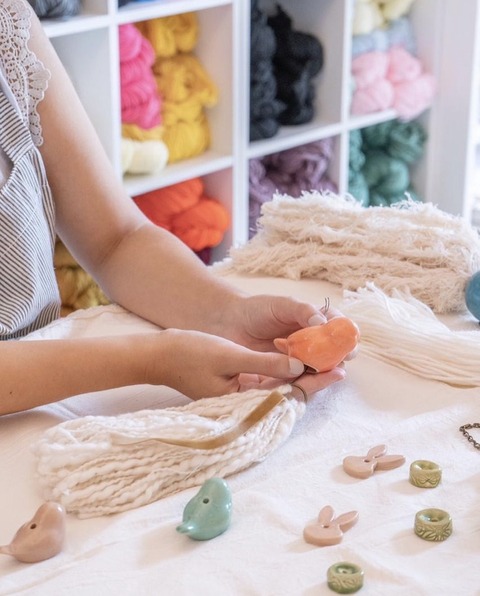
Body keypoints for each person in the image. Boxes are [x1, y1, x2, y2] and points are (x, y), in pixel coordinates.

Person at [0, 0, 348, 416]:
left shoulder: (10, 27)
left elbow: (117, 239)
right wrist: (154, 359)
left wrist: (230, 313)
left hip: (41, 415)